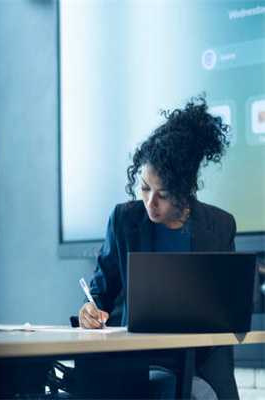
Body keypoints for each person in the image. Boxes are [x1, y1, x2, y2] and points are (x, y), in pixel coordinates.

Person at [78, 95, 239, 399]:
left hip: (200, 362)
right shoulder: (124, 220)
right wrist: (90, 308)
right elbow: (100, 291)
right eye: (144, 188)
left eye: (162, 194)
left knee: (199, 393)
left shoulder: (219, 225)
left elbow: (230, 306)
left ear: (185, 190)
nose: (150, 203)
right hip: (138, 362)